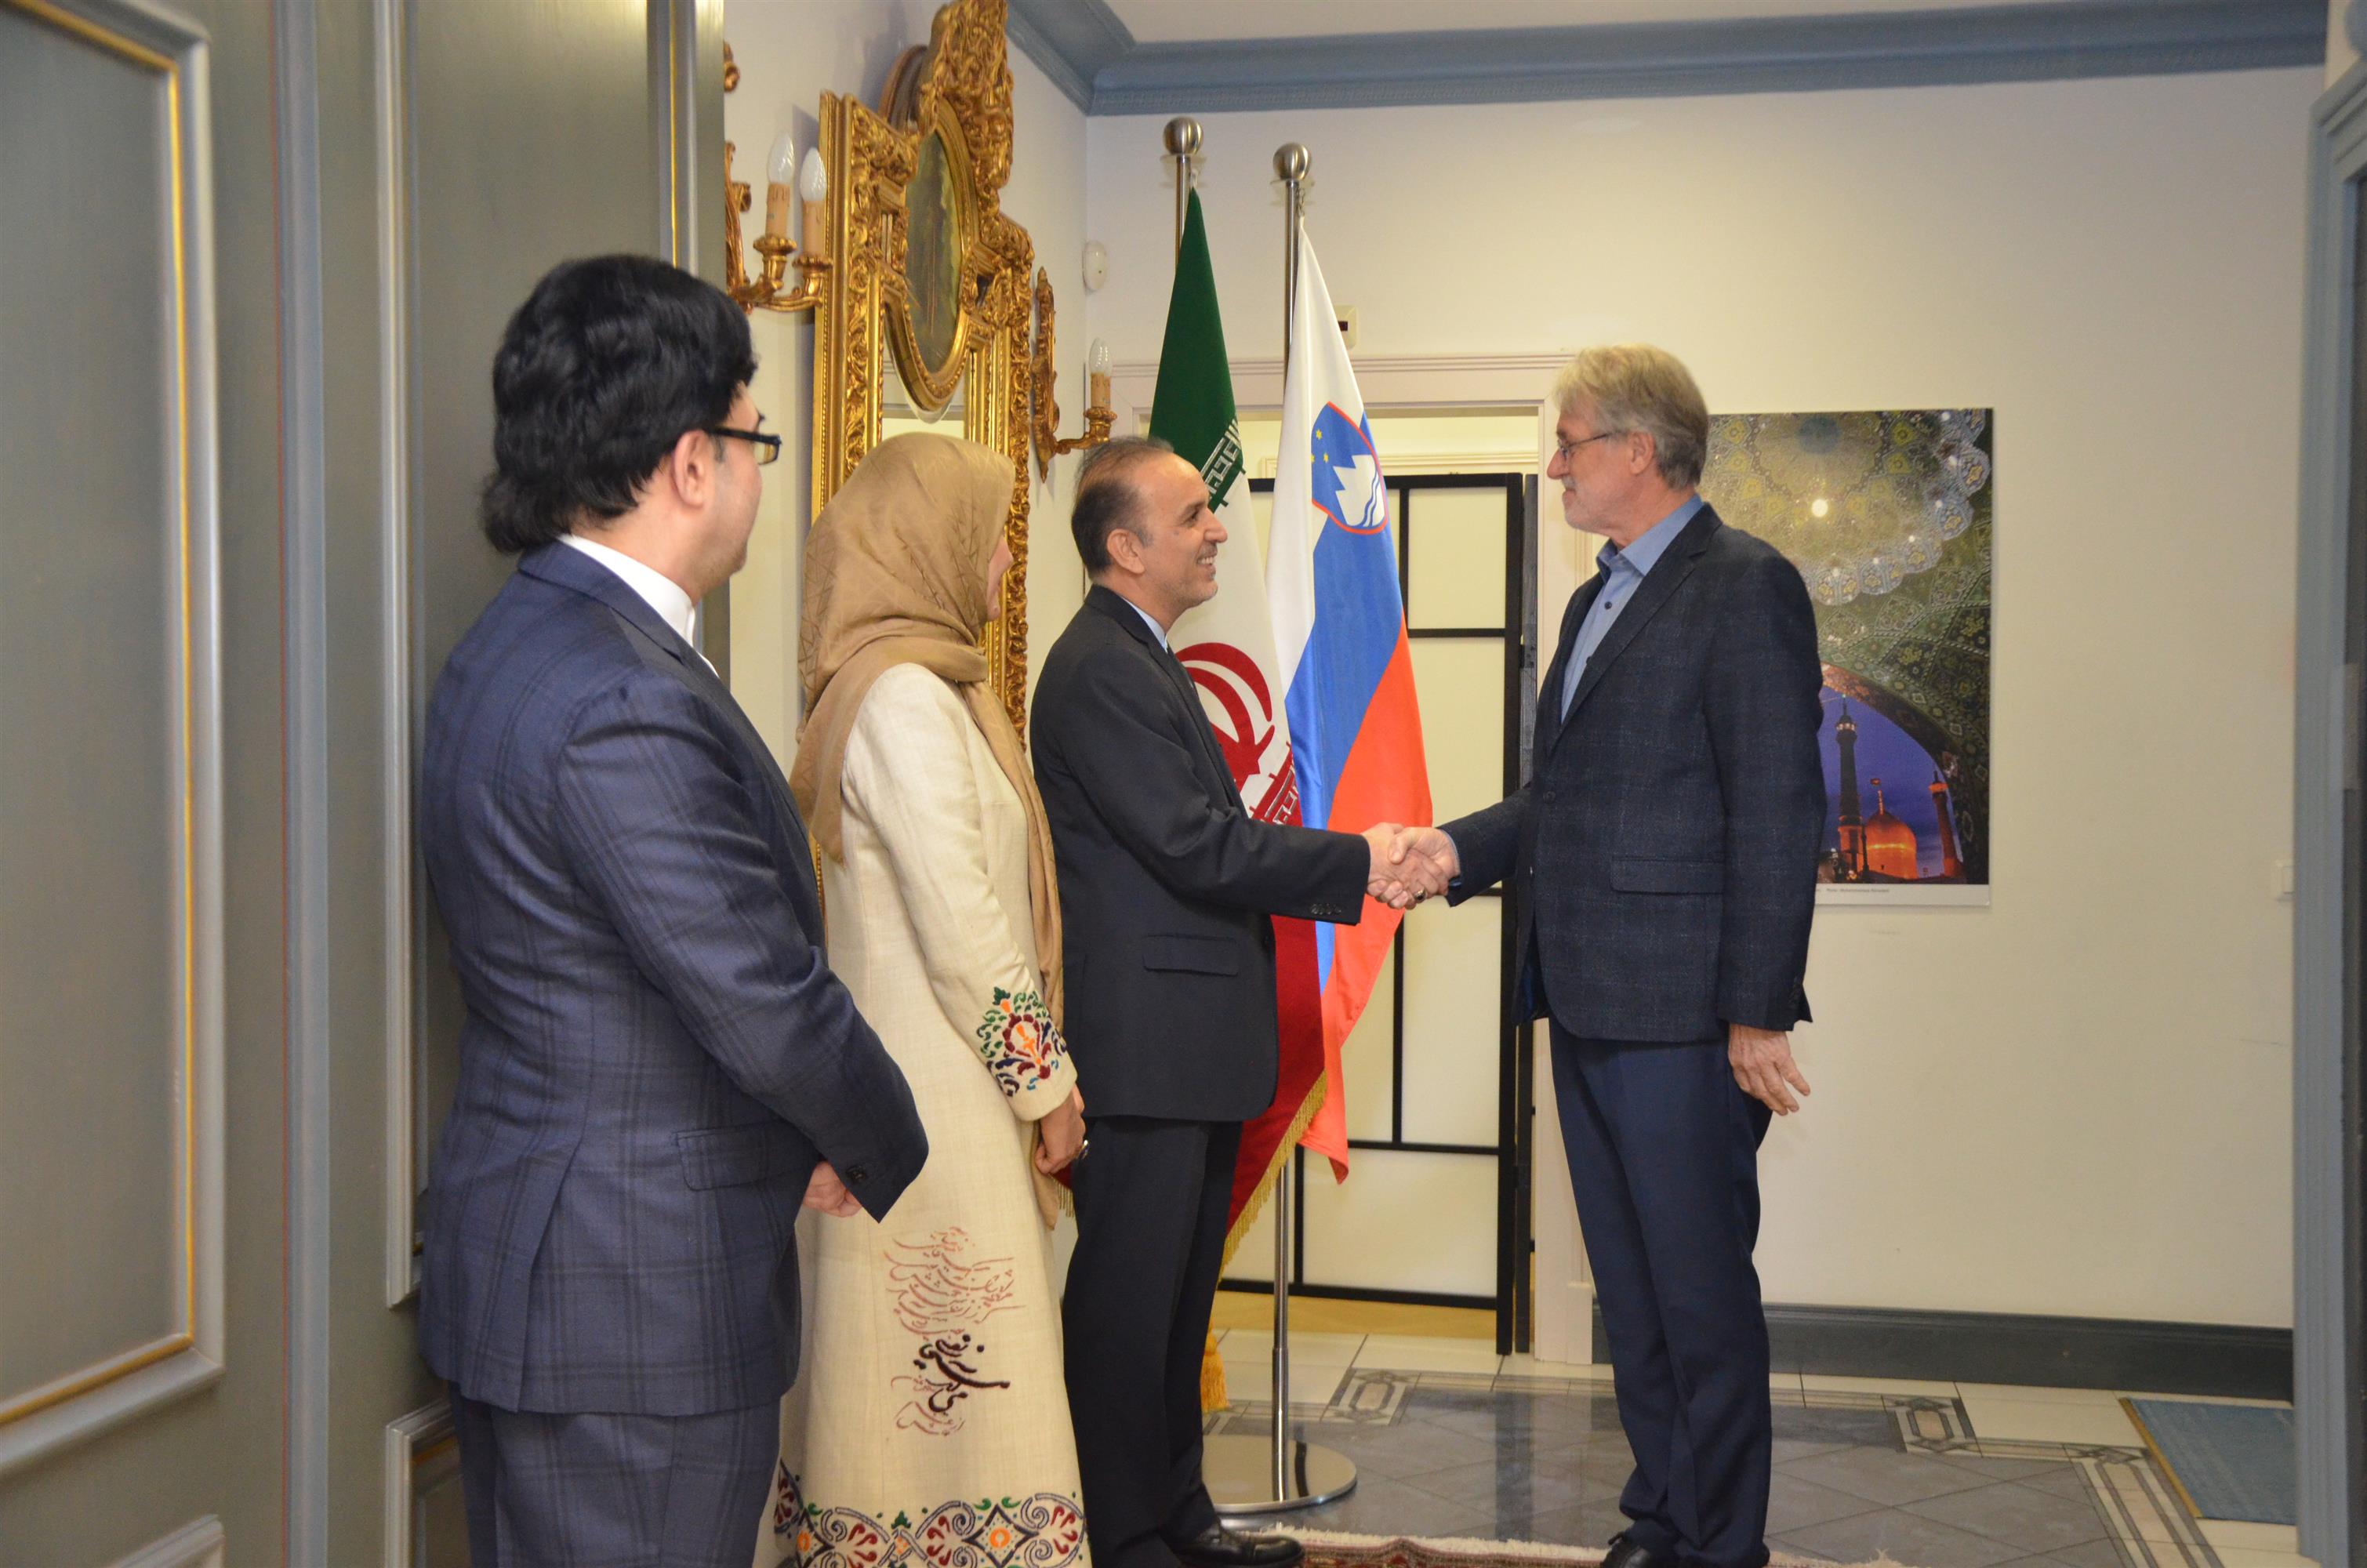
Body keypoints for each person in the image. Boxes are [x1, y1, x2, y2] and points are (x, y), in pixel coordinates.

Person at [416, 254, 930, 1568]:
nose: (759, 474)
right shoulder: (621, 694)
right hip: (629, 1301)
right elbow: (759, 996)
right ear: (694, 464)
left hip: (560, 1273)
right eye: (757, 440)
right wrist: (874, 1136)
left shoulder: (522, 638)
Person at [1391, 345, 1824, 1568]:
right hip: (1584, 997)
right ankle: (1665, 1518)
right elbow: (1565, 801)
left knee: (1699, 1299)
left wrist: (1756, 1010)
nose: (1555, 466)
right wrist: (1452, 850)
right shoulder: (1596, 602)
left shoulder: (1744, 586)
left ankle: (1722, 1545)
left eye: (1570, 441)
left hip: (1684, 1015)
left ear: (1640, 450)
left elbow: (1780, 810)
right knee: (1631, 1298)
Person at [1030, 437, 1412, 1568]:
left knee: (1176, 1306)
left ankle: (1178, 1516)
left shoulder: (1143, 655)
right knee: (1126, 1311)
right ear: (1125, 545)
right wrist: (1360, 860)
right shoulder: (1100, 669)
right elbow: (1195, 847)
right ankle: (1123, 1534)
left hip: (1186, 1050)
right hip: (1145, 1054)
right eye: (1194, 513)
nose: (1216, 531)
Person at [762, 433, 1091, 1568]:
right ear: (926, 545)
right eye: (991, 534)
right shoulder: (901, 698)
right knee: (939, 1399)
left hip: (951, 1086)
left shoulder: (937, 691)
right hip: (930, 1107)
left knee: (959, 1399)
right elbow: (964, 926)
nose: (1003, 559)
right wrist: (1047, 1084)